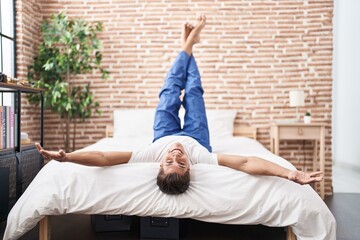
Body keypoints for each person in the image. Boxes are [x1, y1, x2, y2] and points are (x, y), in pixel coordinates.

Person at [36, 14, 323, 195]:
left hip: (163, 132)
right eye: (180, 163)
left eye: (169, 161)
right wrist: (291, 173)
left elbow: (101, 157)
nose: (175, 156)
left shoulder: (153, 153)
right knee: (194, 91)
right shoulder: (201, 158)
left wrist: (68, 157)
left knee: (171, 90)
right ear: (189, 168)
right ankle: (189, 44)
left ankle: (187, 44)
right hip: (198, 137)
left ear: (159, 164)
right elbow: (247, 162)